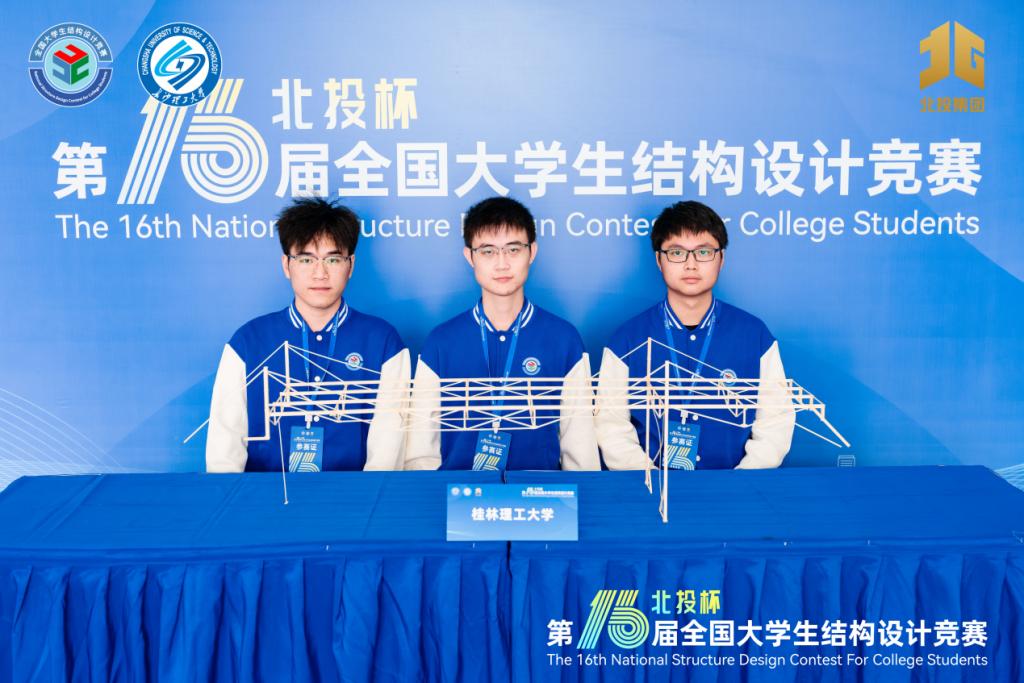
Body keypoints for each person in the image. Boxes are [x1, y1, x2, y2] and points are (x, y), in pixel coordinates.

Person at [206, 197, 408, 472]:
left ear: (350, 265)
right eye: (306, 259)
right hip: (265, 495)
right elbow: (224, 449)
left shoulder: (382, 341)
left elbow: (387, 450)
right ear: (286, 265)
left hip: (354, 495)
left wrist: (363, 497)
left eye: (333, 259)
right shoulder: (249, 341)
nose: (320, 273)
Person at [404, 197, 599, 471]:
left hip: (543, 494)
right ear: (469, 256)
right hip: (458, 493)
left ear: (532, 252)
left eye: (513, 250)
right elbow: (421, 453)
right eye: (488, 251)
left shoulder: (564, 339)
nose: (502, 264)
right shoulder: (441, 342)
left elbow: (580, 449)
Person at [596, 200, 794, 470]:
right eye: (677, 252)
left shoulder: (755, 335)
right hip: (650, 488)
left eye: (703, 252)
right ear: (659, 260)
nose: (691, 264)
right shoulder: (626, 340)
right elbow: (611, 427)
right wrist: (652, 482)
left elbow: (775, 423)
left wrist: (740, 482)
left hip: (736, 487)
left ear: (721, 259)